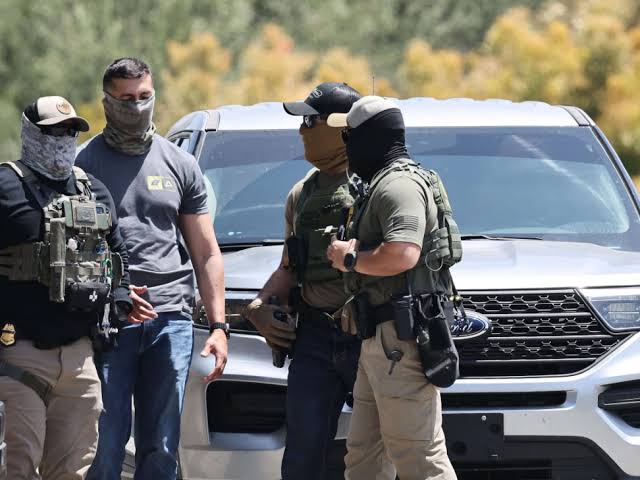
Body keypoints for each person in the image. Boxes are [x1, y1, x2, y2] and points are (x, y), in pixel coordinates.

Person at [76, 57, 228, 480]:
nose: (137, 106)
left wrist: (219, 327)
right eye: (126, 99)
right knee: (103, 446)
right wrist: (115, 293)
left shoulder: (179, 163)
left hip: (171, 320)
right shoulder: (84, 166)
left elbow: (206, 252)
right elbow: (75, 255)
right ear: (107, 102)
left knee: (161, 448)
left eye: (144, 96)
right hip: (109, 322)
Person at [326, 96, 459, 480]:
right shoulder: (381, 183)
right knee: (364, 458)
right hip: (380, 339)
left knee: (419, 457)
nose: (346, 146)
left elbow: (403, 253)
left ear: (369, 138)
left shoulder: (398, 186)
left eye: (349, 136)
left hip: (399, 340)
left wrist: (349, 259)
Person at [0, 96, 133, 479]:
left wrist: (120, 303)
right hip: (18, 353)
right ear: (30, 132)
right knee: (18, 466)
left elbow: (118, 256)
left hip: (79, 357)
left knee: (72, 471)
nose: (62, 139)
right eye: (53, 131)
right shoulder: (5, 186)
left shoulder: (94, 191)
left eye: (70, 131)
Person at [243, 83, 362, 480]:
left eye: (311, 121)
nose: (302, 130)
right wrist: (259, 305)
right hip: (314, 338)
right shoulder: (303, 192)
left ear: (341, 125)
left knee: (378, 449)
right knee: (302, 455)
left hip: (368, 337)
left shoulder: (375, 184)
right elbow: (289, 266)